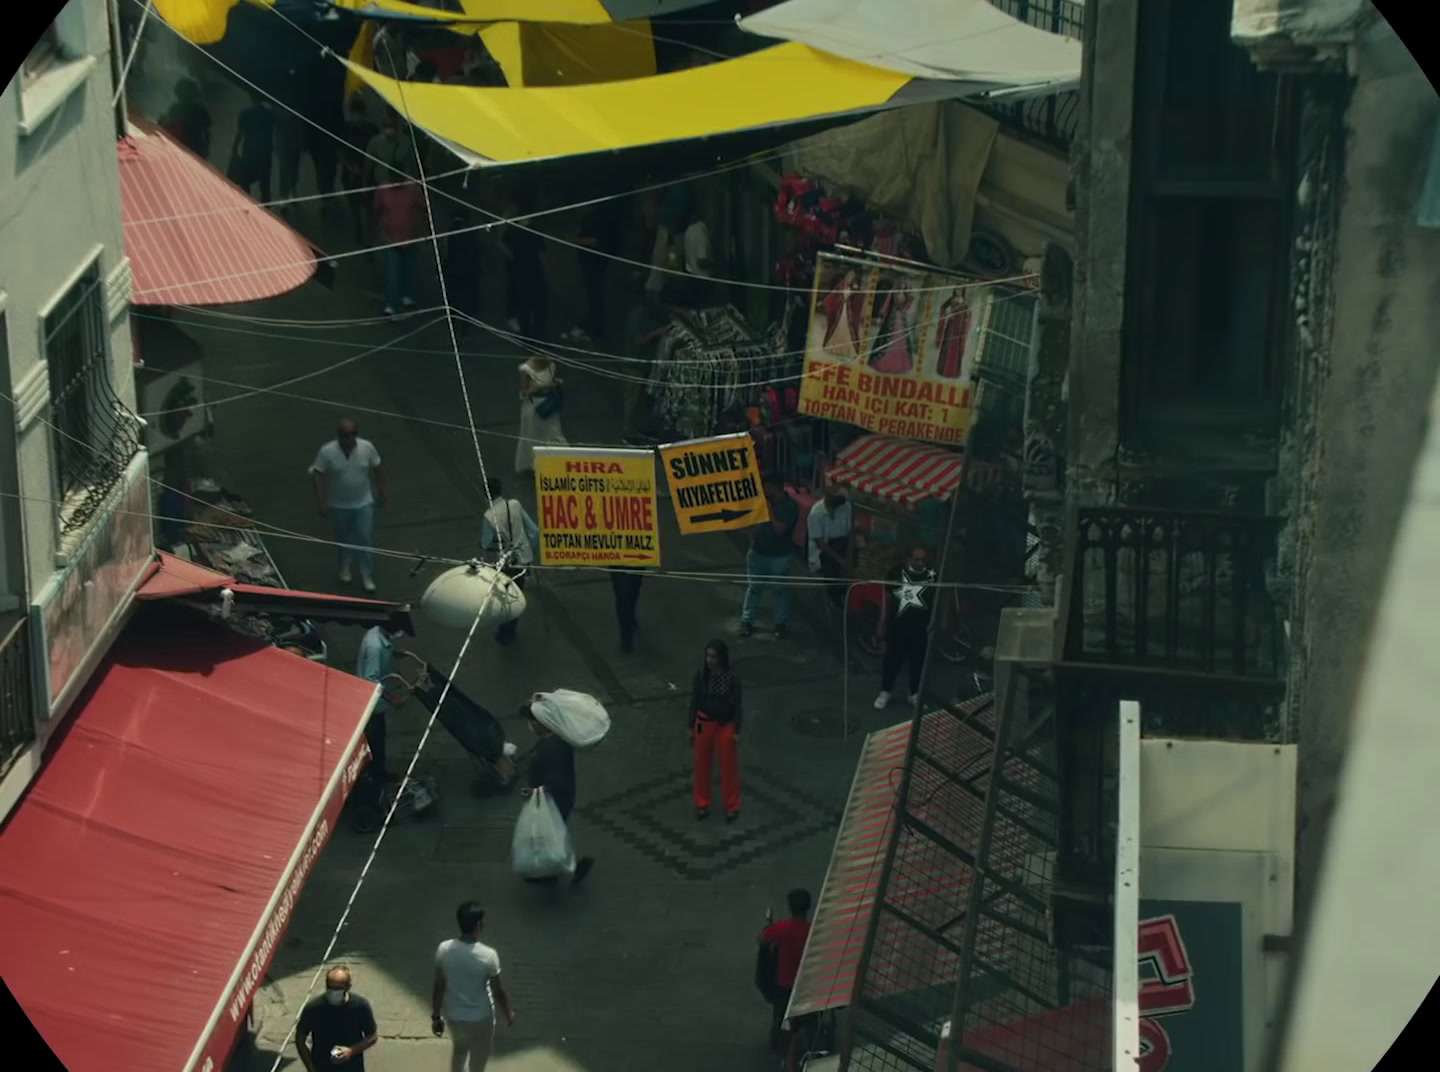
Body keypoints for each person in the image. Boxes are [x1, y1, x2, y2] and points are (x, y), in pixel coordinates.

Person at [433, 900, 515, 1072]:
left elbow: (439, 986)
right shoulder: (488, 956)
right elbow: (498, 991)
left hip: (455, 1016)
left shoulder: (444, 949)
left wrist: (436, 1017)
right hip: (481, 1019)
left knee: (459, 1053)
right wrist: (508, 1013)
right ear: (478, 925)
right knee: (479, 1060)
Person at [521, 701, 595, 886]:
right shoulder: (555, 739)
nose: (529, 726)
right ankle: (550, 871)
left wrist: (535, 792)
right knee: (548, 835)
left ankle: (564, 869)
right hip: (557, 798)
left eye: (532, 721)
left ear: (541, 723)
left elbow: (556, 779)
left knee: (548, 835)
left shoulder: (551, 747)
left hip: (553, 800)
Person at [310, 418, 386, 592]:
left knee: (365, 538)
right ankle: (344, 566)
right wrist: (322, 500)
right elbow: (317, 474)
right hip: (339, 505)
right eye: (346, 435)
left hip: (363, 502)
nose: (350, 438)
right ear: (339, 436)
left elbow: (378, 467)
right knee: (344, 539)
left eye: (353, 434)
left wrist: (382, 490)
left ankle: (366, 574)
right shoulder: (327, 451)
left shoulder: (367, 448)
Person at [875, 545, 938, 709]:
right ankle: (886, 691)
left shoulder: (933, 575)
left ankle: (914, 693)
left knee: (918, 661)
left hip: (921, 626)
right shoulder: (895, 573)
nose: (921, 563)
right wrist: (882, 623)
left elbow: (941, 600)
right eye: (917, 559)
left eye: (923, 559)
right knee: (892, 660)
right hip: (898, 625)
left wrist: (938, 623)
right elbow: (886, 599)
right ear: (909, 559)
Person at [480, 477, 539, 646]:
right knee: (516, 593)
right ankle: (509, 629)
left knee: (505, 597)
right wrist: (530, 550)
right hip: (524, 559)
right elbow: (534, 532)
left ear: (486, 494)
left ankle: (506, 631)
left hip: (506, 562)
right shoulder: (515, 504)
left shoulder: (489, 516)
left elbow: (485, 542)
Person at [740, 473, 799, 639]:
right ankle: (747, 622)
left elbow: (780, 530)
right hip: (757, 553)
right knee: (753, 589)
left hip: (779, 557)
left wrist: (769, 511)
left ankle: (780, 625)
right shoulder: (762, 501)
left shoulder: (790, 507)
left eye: (766, 486)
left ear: (775, 486)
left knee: (780, 591)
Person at [690, 639, 742, 822]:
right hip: (703, 722)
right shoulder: (701, 675)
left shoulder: (732, 678)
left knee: (728, 767)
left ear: (721, 658)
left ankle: (732, 805)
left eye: (713, 656)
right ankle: (702, 802)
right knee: (702, 764)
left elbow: (737, 706)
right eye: (707, 656)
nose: (709, 660)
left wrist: (736, 729)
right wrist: (691, 726)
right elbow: (694, 701)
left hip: (725, 725)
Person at [758, 889, 814, 1055]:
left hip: (785, 984)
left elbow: (761, 939)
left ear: (790, 907)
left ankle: (783, 1045)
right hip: (807, 985)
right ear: (809, 907)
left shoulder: (782, 928)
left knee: (783, 1017)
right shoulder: (813, 930)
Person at [296, 967, 378, 1072]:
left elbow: (372, 1036)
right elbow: (300, 1039)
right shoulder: (313, 1008)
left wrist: (351, 1051)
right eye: (330, 987)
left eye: (338, 988)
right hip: (322, 1066)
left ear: (348, 987)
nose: (333, 992)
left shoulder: (360, 1006)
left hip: (352, 1067)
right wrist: (311, 1068)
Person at [356, 625, 408, 780]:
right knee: (374, 742)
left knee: (377, 739)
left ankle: (377, 773)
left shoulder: (374, 633)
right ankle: (373, 777)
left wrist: (392, 653)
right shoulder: (376, 647)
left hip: (372, 703)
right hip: (371, 705)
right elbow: (371, 679)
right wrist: (393, 699)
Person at [374, 178, 426, 315]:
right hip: (391, 239)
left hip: (411, 237)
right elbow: (376, 209)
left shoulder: (413, 189)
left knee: (408, 269)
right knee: (393, 274)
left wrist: (423, 228)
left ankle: (406, 296)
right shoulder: (383, 190)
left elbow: (423, 207)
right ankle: (392, 304)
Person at [503, 194, 549, 337]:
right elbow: (542, 255)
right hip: (535, 272)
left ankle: (525, 334)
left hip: (519, 271)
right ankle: (538, 331)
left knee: (524, 305)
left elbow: (502, 243)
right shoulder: (534, 233)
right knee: (539, 304)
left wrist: (513, 258)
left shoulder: (513, 232)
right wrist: (547, 271)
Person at [514, 354, 567, 474]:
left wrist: (555, 384)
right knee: (534, 435)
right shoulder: (525, 369)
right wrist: (544, 386)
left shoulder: (551, 364)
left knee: (554, 433)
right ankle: (536, 465)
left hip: (548, 403)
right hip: (534, 406)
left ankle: (561, 460)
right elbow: (524, 393)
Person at [340, 96, 379, 245]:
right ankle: (359, 226)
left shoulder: (370, 129)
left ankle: (366, 234)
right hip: (352, 175)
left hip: (366, 175)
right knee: (356, 206)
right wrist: (350, 168)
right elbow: (341, 153)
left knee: (368, 207)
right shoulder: (347, 129)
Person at [808, 486, 853, 613]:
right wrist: (841, 561)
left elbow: (851, 532)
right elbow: (820, 543)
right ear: (829, 496)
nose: (842, 499)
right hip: (825, 550)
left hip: (843, 543)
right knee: (831, 570)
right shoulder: (816, 513)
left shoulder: (846, 508)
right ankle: (835, 600)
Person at [444, 206, 484, 334]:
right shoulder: (472, 232)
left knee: (454, 300)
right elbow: (478, 251)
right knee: (467, 302)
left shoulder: (451, 232)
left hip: (454, 271)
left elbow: (446, 251)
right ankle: (464, 330)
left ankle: (455, 328)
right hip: (468, 271)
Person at [229, 92, 275, 201]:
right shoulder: (269, 114)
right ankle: (266, 204)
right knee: (265, 181)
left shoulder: (245, 113)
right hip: (265, 150)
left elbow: (240, 133)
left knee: (245, 180)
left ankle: (247, 202)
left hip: (249, 150)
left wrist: (235, 148)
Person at [161, 78, 211, 159]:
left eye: (188, 93)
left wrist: (205, 150)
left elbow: (206, 133)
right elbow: (168, 125)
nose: (185, 96)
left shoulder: (200, 111)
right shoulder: (175, 108)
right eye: (183, 93)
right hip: (175, 145)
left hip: (193, 148)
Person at [609, 567, 645, 653]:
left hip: (636, 561)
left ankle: (630, 615)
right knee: (622, 595)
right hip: (618, 560)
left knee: (633, 590)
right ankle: (626, 635)